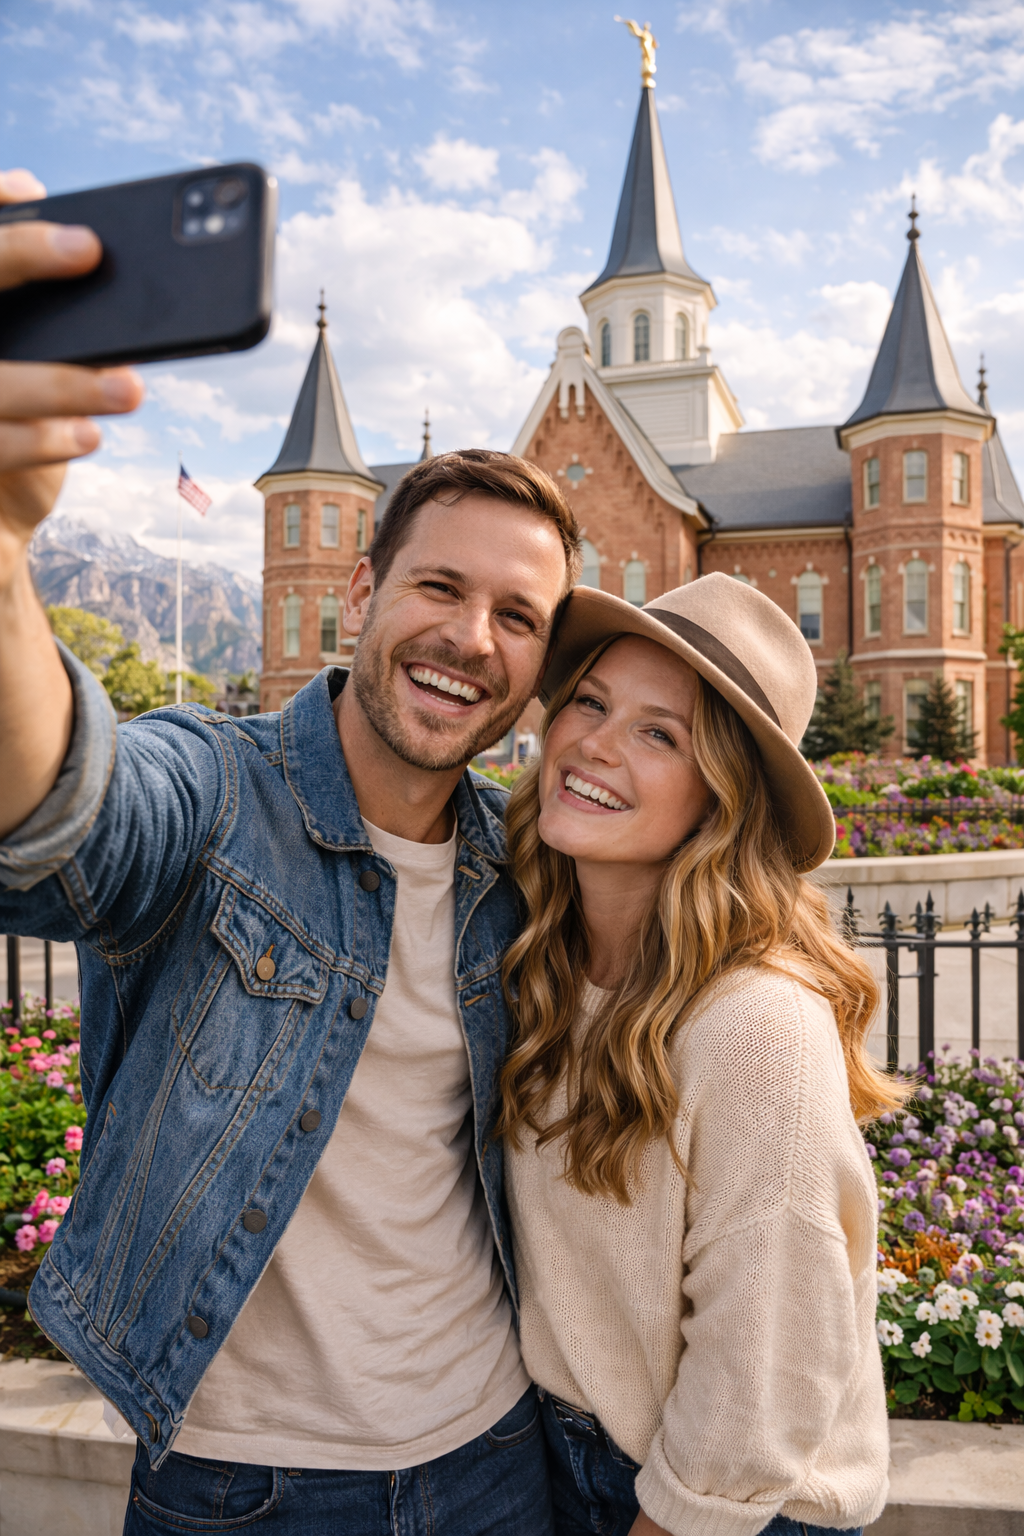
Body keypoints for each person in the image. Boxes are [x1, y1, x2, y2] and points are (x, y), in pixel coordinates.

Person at [0, 168, 577, 1533]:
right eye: (438, 586)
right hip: (240, 1487)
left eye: (519, 615)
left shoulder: (526, 865)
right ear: (360, 592)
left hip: (499, 1461)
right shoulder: (218, 792)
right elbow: (65, 830)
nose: (471, 640)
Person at [499, 573, 907, 1536]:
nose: (595, 743)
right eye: (591, 702)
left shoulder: (756, 1024)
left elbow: (762, 1375)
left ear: (723, 797)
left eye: (660, 733)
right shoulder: (544, 962)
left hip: (723, 1504)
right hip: (573, 1462)